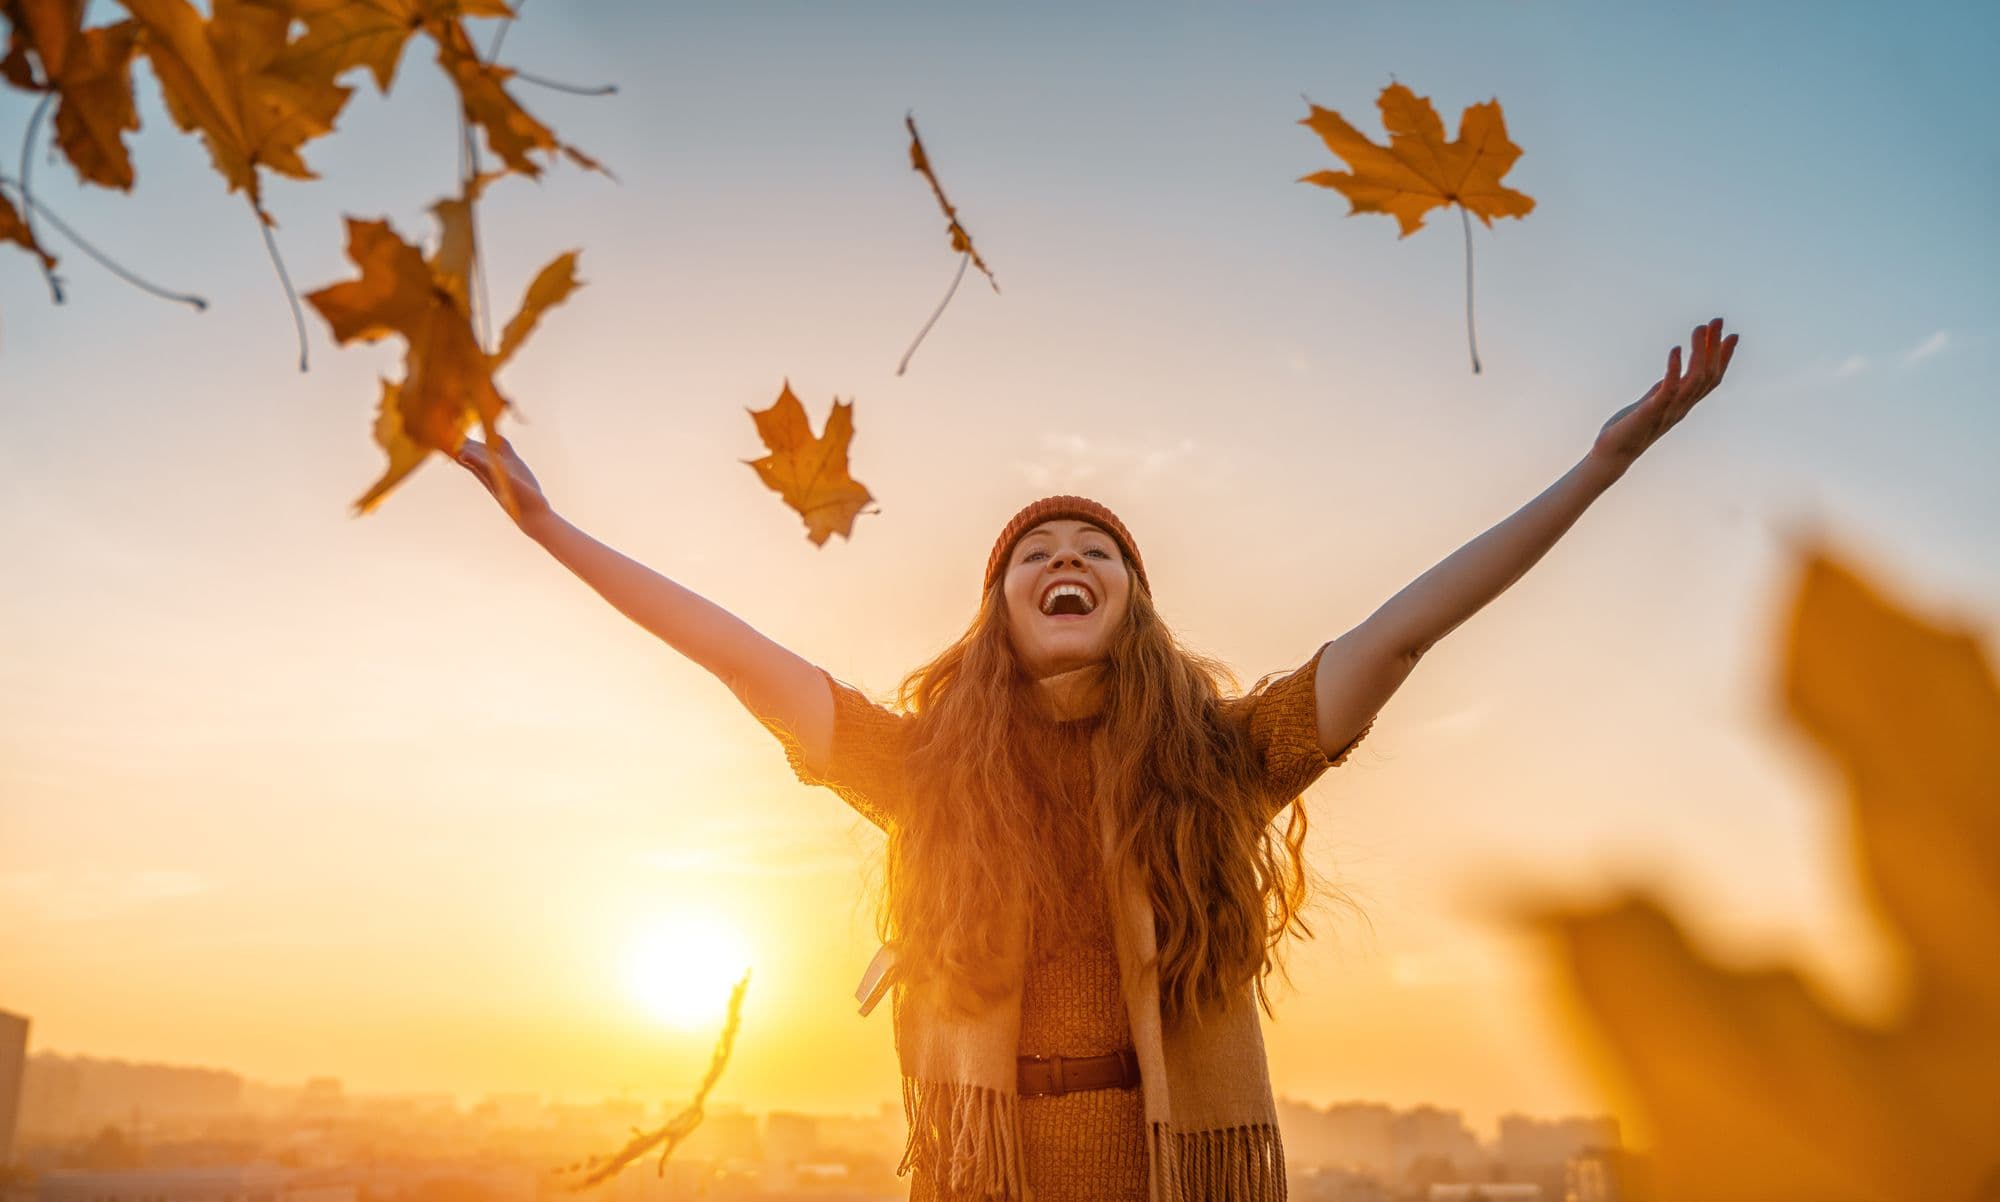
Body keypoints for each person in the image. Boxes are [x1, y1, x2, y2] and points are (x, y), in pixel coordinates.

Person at [455, 318, 1739, 1202]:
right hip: (987, 1175)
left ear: (1132, 600)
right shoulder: (922, 772)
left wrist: (1599, 465)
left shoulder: (1225, 759)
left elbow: (1403, 630)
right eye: (1035, 552)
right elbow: (742, 658)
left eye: (1097, 551)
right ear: (998, 604)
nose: (1065, 561)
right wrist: (554, 529)